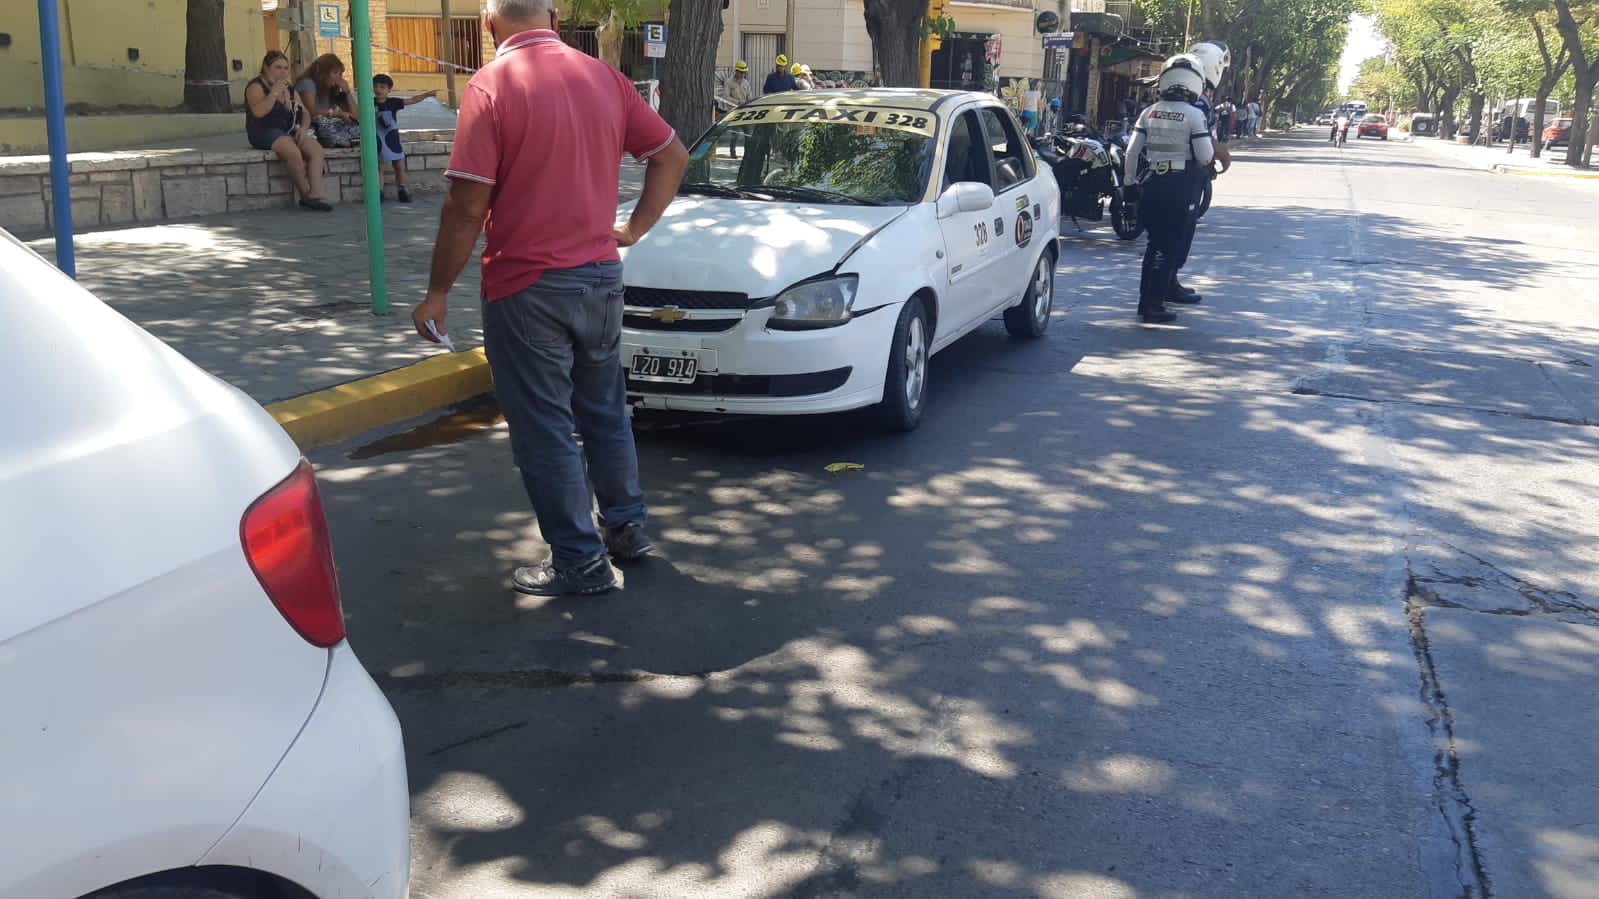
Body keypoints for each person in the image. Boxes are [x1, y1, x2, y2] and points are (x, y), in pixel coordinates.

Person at [411, 0, 689, 597]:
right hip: (600, 277)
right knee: (605, 411)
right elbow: (672, 155)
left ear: (488, 26)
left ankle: (580, 563)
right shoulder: (607, 78)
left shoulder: (491, 86)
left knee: (545, 429)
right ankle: (626, 528)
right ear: (556, 18)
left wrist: (437, 293)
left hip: (527, 286)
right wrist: (632, 230)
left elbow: (466, 208)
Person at [1123, 55, 1214, 324]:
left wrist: (1129, 184)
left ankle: (1145, 302)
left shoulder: (1148, 112)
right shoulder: (1194, 115)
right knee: (1168, 247)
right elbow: (1206, 156)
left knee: (1153, 246)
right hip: (1178, 185)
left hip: (1151, 181)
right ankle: (1154, 306)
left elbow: (1131, 152)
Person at [243, 51, 332, 211]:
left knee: (315, 149)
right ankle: (305, 195)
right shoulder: (256, 87)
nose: (283, 72)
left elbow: (305, 113)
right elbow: (259, 112)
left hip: (288, 130)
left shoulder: (289, 88)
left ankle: (315, 194)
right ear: (266, 68)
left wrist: (303, 129)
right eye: (278, 68)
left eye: (285, 68)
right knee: (292, 151)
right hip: (263, 130)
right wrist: (274, 93)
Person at [372, 74, 438, 202]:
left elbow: (412, 100)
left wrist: (427, 95)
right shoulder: (369, 103)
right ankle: (379, 193)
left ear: (389, 90)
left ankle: (402, 191)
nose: (378, 89)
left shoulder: (393, 102)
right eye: (375, 86)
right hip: (377, 138)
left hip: (392, 138)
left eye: (382, 87)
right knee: (379, 167)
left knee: (398, 165)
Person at [297, 53, 361, 147]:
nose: (338, 77)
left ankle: (342, 140)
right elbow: (311, 111)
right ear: (322, 73)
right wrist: (338, 114)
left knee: (361, 128)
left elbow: (355, 116)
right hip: (311, 126)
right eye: (335, 73)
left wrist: (347, 92)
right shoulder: (307, 83)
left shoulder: (332, 89)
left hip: (329, 125)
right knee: (322, 122)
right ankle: (336, 141)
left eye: (340, 74)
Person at [715, 61, 755, 158]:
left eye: (744, 72)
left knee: (749, 134)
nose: (742, 74)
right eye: (741, 72)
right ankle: (733, 153)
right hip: (734, 112)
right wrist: (737, 102)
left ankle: (748, 154)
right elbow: (725, 97)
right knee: (735, 134)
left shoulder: (746, 83)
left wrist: (749, 103)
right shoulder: (729, 82)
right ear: (736, 71)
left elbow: (750, 96)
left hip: (745, 112)